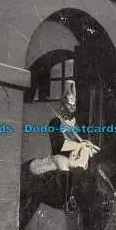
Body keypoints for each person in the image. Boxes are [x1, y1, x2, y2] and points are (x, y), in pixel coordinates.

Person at [48, 80, 98, 212]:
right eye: (68, 106)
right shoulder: (55, 122)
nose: (71, 109)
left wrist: (85, 143)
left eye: (73, 106)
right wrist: (78, 145)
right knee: (66, 168)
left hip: (75, 155)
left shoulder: (76, 124)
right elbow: (59, 144)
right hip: (60, 155)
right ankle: (66, 201)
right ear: (63, 106)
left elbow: (80, 140)